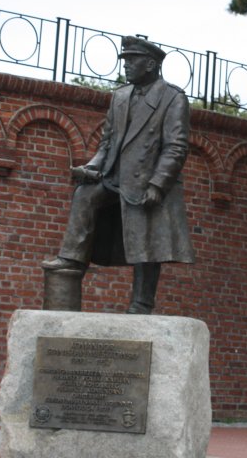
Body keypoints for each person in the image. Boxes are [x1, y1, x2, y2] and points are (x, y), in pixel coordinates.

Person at [41, 35, 194, 314]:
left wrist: (158, 185)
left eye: (132, 60)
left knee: (147, 240)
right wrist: (92, 167)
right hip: (115, 178)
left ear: (150, 64)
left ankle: (141, 305)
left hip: (147, 180)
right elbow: (107, 143)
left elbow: (176, 147)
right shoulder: (120, 96)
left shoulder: (173, 98)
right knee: (85, 195)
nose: (126, 65)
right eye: (126, 60)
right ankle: (71, 260)